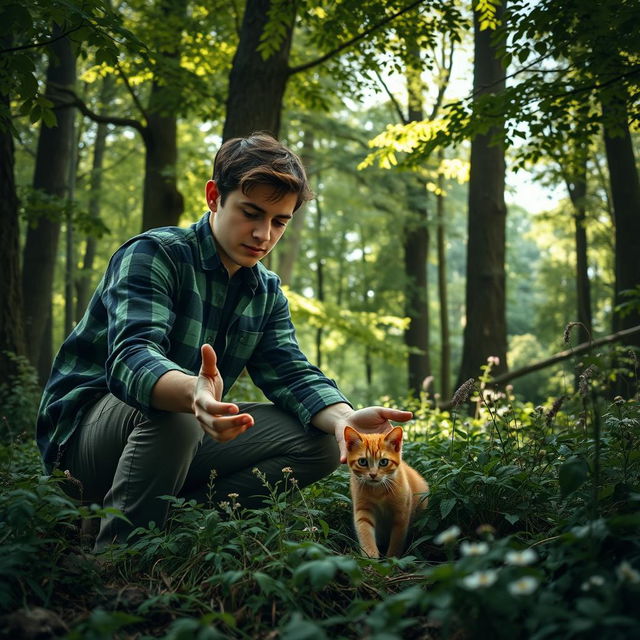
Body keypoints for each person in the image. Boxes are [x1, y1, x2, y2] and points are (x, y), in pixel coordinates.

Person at [36, 133, 412, 551]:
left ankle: (167, 523)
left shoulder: (265, 291)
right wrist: (192, 393)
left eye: (279, 222)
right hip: (84, 446)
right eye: (251, 213)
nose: (263, 234)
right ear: (214, 196)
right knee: (178, 413)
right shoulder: (153, 253)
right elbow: (131, 357)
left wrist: (344, 420)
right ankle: (116, 556)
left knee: (322, 445)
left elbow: (291, 370)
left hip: (177, 441)